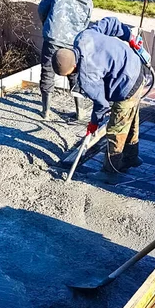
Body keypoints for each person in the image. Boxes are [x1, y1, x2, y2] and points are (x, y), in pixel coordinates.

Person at [51, 17, 146, 183]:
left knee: (116, 128)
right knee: (131, 119)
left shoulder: (86, 77)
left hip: (127, 84)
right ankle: (131, 157)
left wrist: (94, 122)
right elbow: (111, 22)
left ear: (72, 69)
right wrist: (128, 36)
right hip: (136, 66)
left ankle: (110, 172)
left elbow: (101, 103)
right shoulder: (83, 37)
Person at [37, 0, 94, 120]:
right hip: (73, 43)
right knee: (74, 74)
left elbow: (42, 8)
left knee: (47, 72)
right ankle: (80, 111)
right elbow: (86, 23)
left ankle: (46, 111)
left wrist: (47, 25)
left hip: (53, 37)